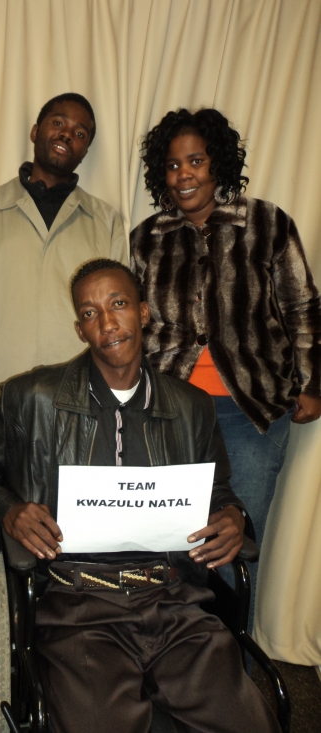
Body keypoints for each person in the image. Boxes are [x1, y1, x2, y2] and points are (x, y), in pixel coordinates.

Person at [0, 259, 280, 733]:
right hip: (76, 605)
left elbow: (217, 492)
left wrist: (231, 515)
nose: (106, 323)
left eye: (118, 304)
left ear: (143, 313)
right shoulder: (32, 397)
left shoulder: (191, 408)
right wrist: (8, 511)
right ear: (80, 330)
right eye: (89, 312)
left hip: (174, 598)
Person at [129, 108, 321, 630]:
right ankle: (174, 667)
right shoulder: (147, 238)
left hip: (252, 414)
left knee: (230, 547)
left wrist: (311, 382)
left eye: (195, 161)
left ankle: (230, 677)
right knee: (169, 549)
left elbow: (301, 306)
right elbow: (137, 326)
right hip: (169, 413)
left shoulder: (267, 223)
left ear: (219, 165)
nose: (183, 174)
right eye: (172, 165)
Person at [0, 93, 127, 436]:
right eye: (58, 123)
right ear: (35, 131)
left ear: (85, 151)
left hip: (78, 397)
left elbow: (118, 320)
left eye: (80, 133)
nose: (66, 135)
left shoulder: (105, 221)